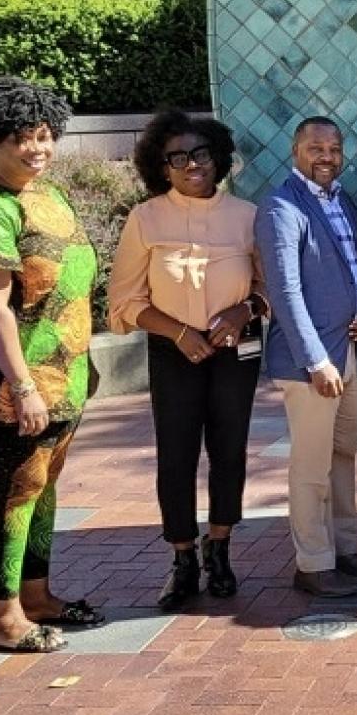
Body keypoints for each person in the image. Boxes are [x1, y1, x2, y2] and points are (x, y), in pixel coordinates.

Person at [0, 77, 102, 653]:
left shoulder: (49, 197)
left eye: (45, 136)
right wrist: (22, 386)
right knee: (18, 488)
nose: (37, 148)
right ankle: (2, 615)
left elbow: (71, 292)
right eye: (22, 139)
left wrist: (86, 361)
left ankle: (37, 596)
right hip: (18, 382)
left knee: (45, 485)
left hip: (67, 375)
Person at [108, 110, 268, 611]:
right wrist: (178, 332)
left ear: (217, 158)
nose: (190, 165)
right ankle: (182, 558)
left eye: (199, 154)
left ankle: (219, 547)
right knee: (176, 455)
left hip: (233, 351)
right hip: (173, 350)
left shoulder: (247, 216)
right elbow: (123, 302)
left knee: (229, 449)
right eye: (177, 158)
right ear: (162, 167)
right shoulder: (146, 218)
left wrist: (244, 309)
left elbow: (270, 289)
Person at [255, 116, 357, 598]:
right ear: (295, 151)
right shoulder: (280, 208)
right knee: (311, 466)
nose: (327, 157)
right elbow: (285, 292)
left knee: (343, 456)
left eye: (334, 148)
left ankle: (343, 549)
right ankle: (312, 564)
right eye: (316, 148)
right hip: (314, 364)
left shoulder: (343, 201)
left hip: (351, 351)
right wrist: (316, 361)